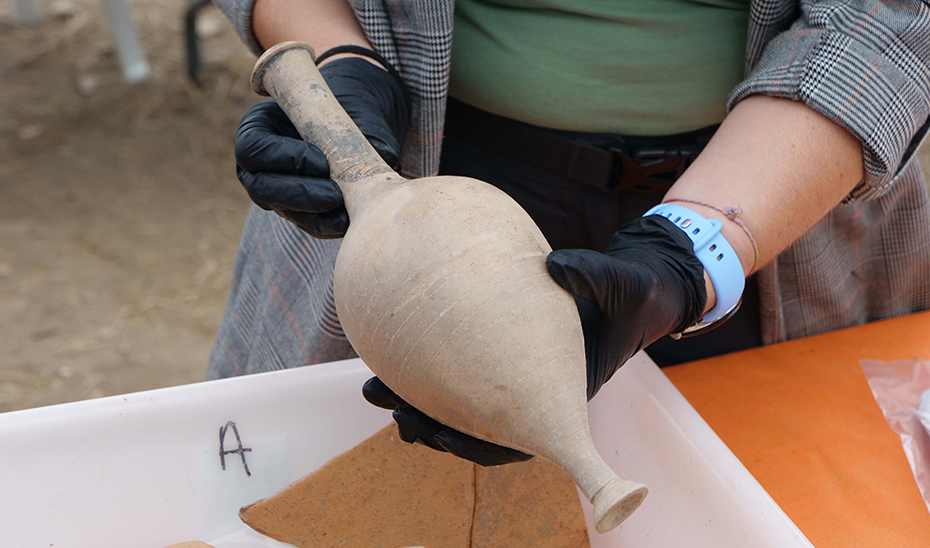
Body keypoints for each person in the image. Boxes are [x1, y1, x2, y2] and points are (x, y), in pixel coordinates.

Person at [210, 0, 930, 464]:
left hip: (783, 201)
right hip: (431, 186)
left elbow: (892, 20)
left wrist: (693, 252)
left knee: (766, 497)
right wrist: (336, 57)